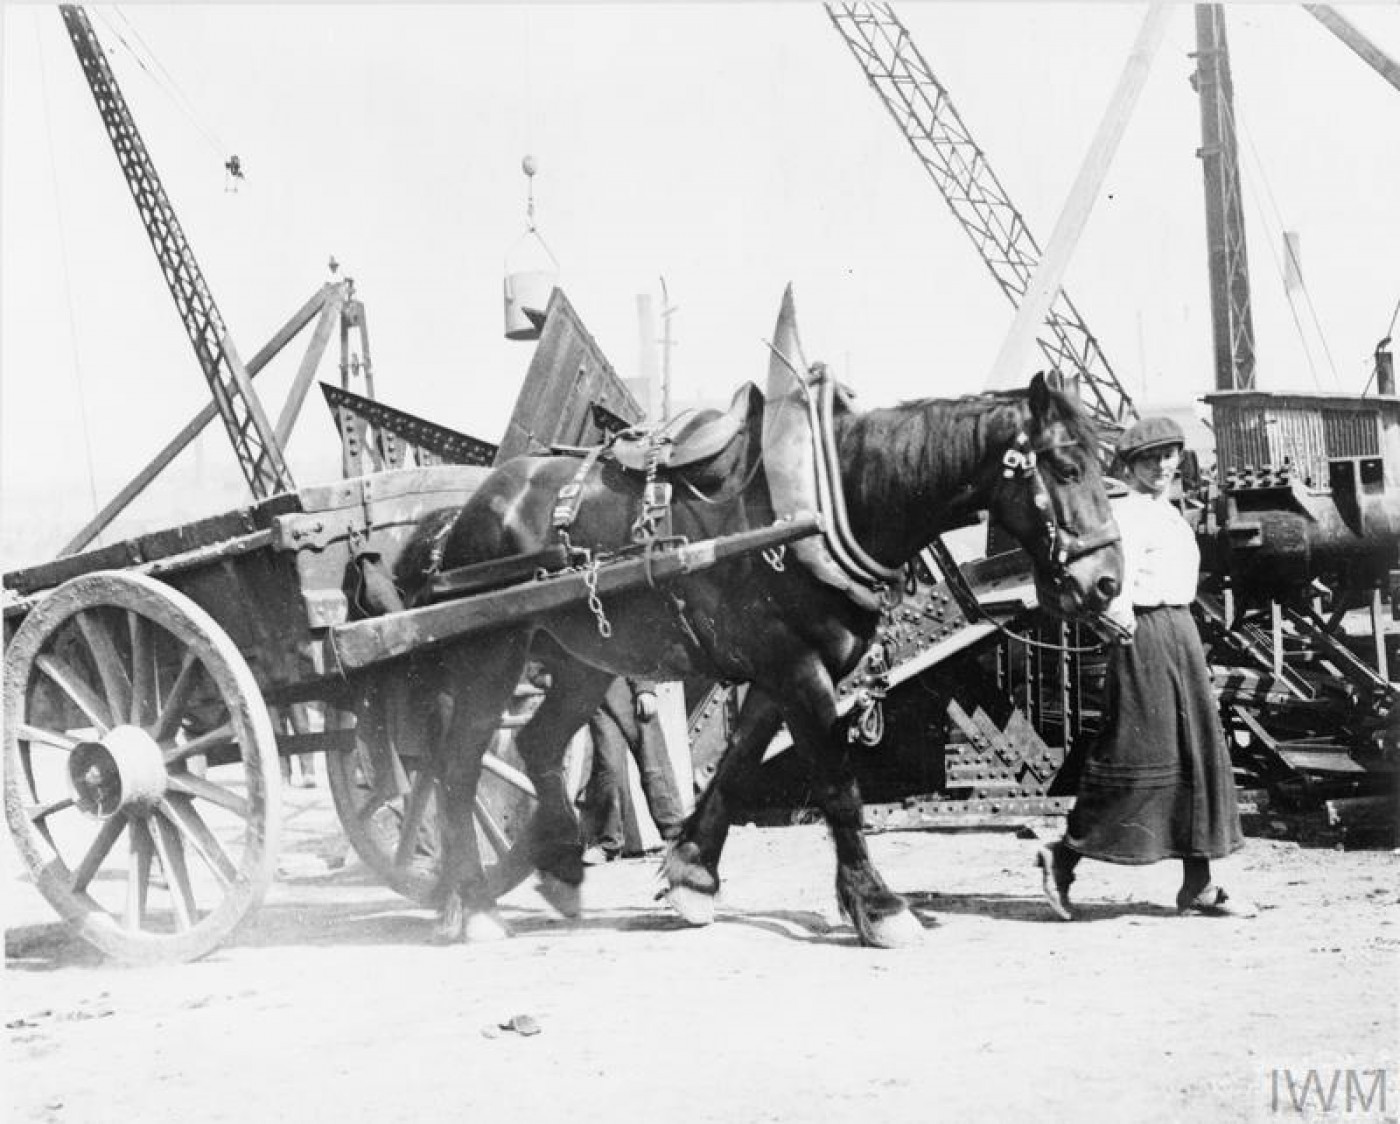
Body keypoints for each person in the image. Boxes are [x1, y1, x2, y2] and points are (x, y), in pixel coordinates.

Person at [1035, 415, 1254, 920]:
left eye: (1169, 455)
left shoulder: (1167, 512)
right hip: (1146, 634)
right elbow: (1113, 583)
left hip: (1181, 632)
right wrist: (1119, 626)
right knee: (1138, 754)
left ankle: (1197, 884)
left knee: (1196, 753)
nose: (1162, 465)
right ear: (1128, 465)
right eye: (1149, 458)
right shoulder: (1127, 515)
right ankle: (1062, 857)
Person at [581, 677, 686, 863]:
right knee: (609, 768)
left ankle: (677, 837)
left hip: (629, 688)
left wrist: (645, 689)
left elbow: (636, 649)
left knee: (653, 764)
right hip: (596, 698)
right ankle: (609, 844)